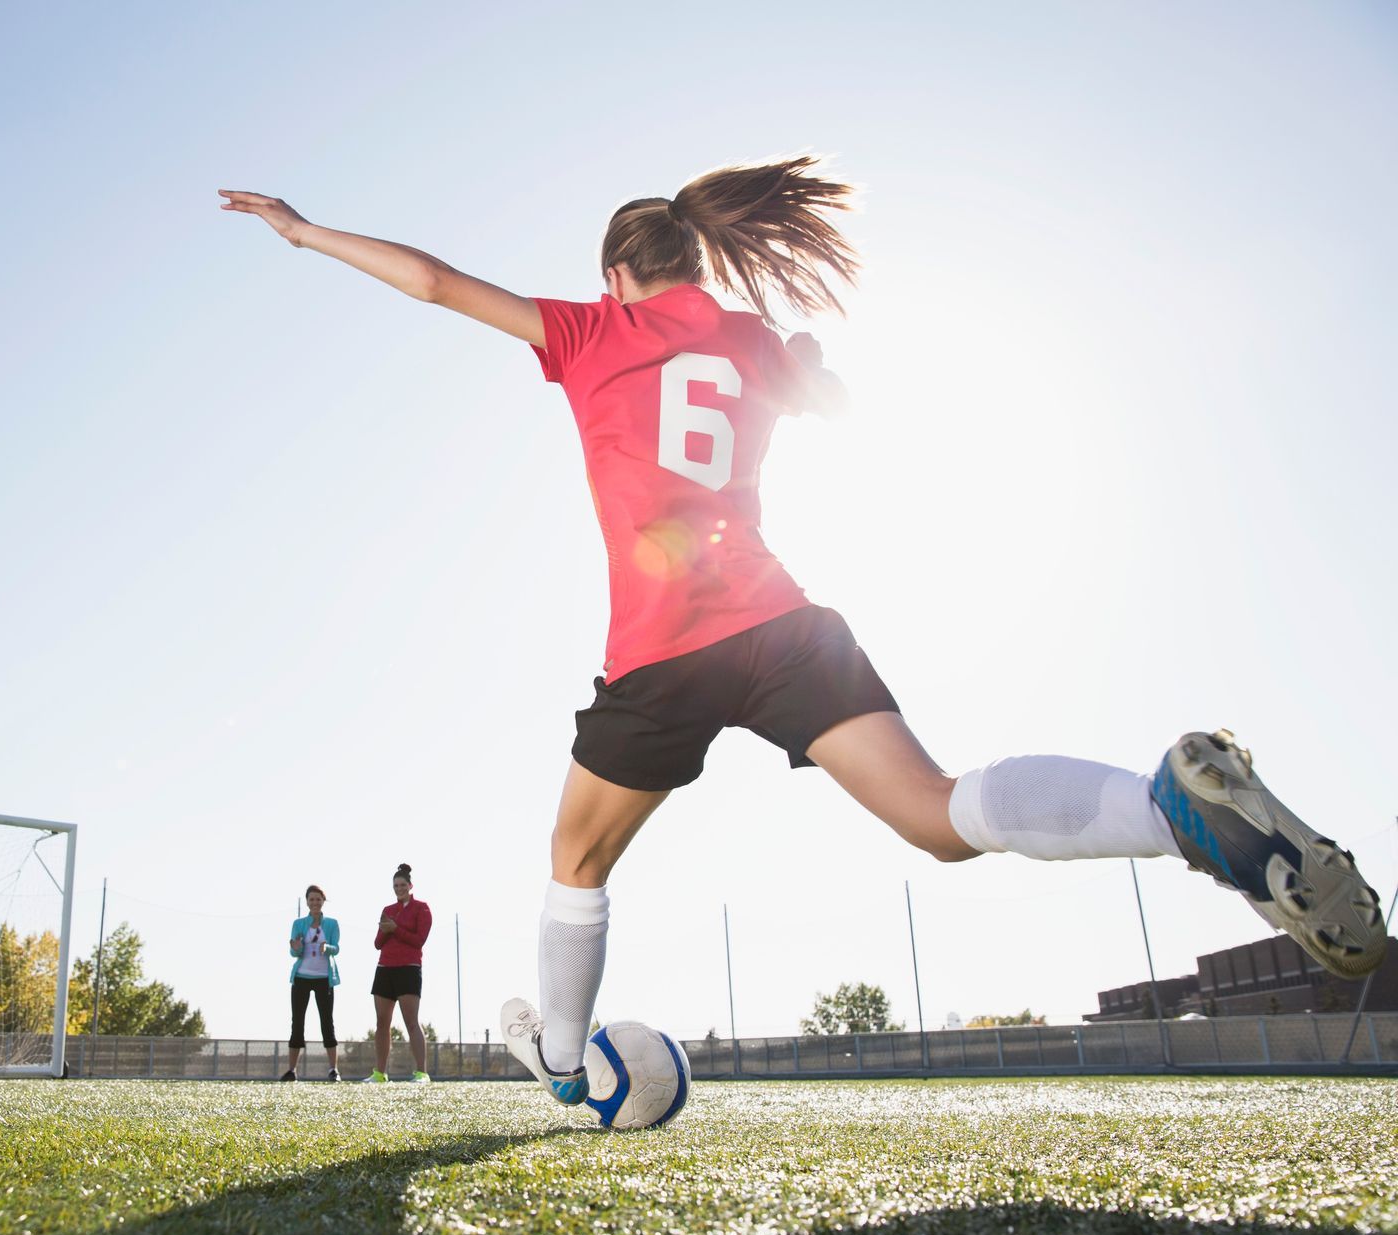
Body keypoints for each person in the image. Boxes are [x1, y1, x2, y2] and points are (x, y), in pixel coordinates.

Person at [220, 160, 1386, 1108]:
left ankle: (565, 1067)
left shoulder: (591, 330)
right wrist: (809, 380)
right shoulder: (750, 341)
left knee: (577, 863)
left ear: (619, 273)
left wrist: (307, 230)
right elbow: (833, 405)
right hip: (783, 619)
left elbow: (432, 281)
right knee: (936, 813)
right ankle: (1173, 811)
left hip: (662, 647)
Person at [369, 863, 432, 1083]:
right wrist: (387, 931)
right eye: (396, 885)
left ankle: (422, 1072)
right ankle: (379, 1073)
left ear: (410, 885)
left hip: (409, 969)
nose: (399, 888)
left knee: (411, 1022)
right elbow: (378, 943)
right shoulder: (388, 910)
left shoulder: (421, 908)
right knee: (381, 1023)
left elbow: (418, 940)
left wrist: (396, 929)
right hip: (385, 968)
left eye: (403, 885)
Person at [284, 884, 341, 1081]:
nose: (315, 902)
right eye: (311, 899)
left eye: (318, 899)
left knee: (327, 1021)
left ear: (323, 901)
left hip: (324, 978)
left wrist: (328, 948)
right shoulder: (299, 924)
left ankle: (333, 1069)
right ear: (307, 902)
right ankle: (292, 1070)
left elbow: (337, 948)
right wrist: (297, 947)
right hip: (301, 977)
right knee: (297, 1022)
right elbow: (294, 951)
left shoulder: (332, 924)